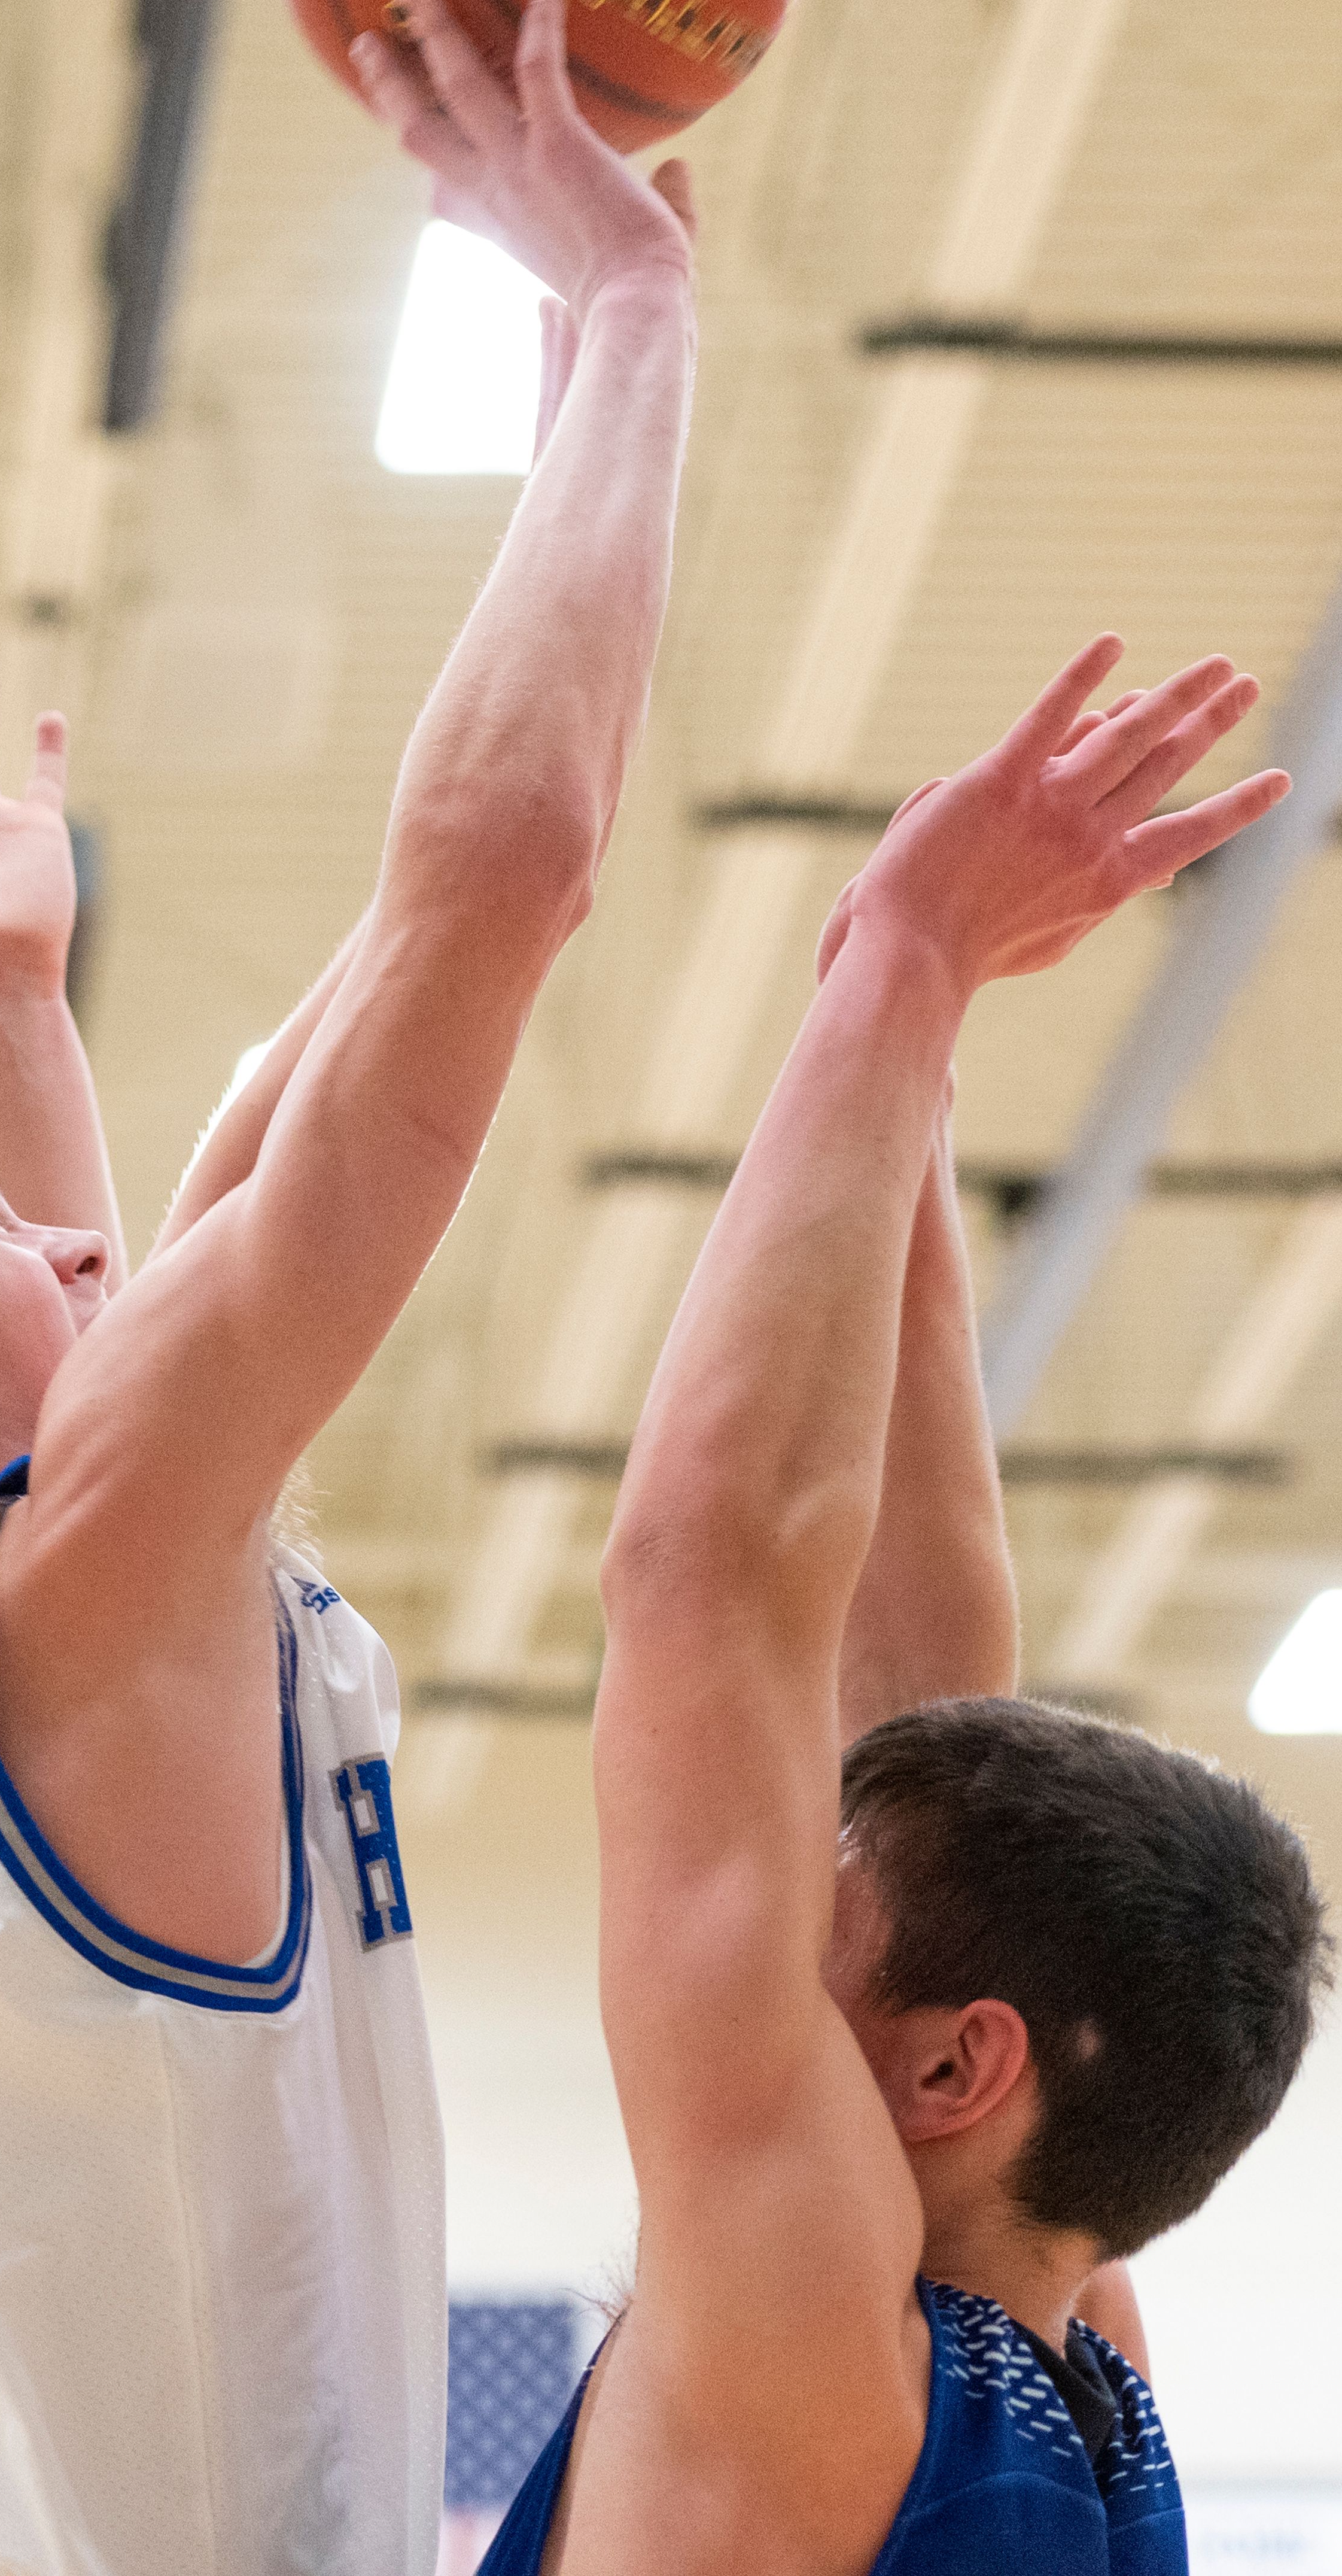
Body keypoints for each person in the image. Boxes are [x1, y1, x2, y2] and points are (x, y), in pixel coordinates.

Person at [0, 0, 696, 2575]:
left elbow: (102, 1338)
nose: (68, 1231)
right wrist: (628, 327)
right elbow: (495, 883)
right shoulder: (57, 1594)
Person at [479, 641, 1332, 2576]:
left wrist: (910, 964)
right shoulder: (1083, 2356)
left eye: (829, 1892)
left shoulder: (814, 2352)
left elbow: (704, 1587)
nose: (786, 1869)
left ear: (959, 2066)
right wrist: (905, 1044)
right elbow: (926, 1677)